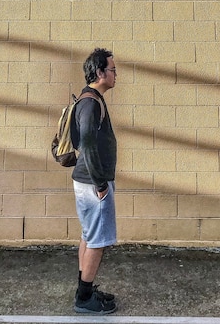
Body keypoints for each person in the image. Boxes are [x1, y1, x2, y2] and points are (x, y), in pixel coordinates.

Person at [71, 47, 118, 314]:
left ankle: (85, 289)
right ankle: (84, 298)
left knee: (89, 237)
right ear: (99, 72)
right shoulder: (90, 103)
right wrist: (100, 184)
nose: (115, 75)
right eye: (112, 70)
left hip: (89, 182)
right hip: (92, 183)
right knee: (97, 240)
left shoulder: (90, 100)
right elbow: (86, 145)